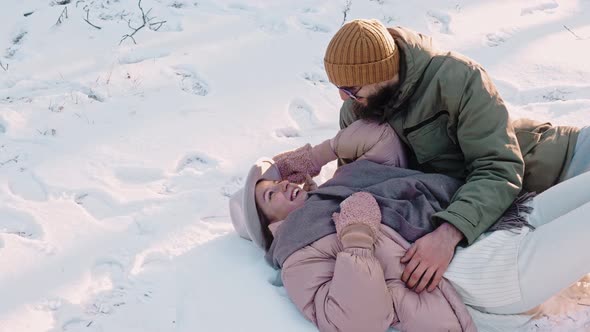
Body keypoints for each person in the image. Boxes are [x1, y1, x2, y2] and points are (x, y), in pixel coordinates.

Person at [274, 18, 589, 291]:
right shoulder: (356, 110)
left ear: (383, 73)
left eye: (352, 88)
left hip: (562, 162)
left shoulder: (457, 78)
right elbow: (363, 184)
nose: (343, 98)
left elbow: (498, 168)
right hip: (529, 211)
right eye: (339, 87)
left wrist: (448, 234)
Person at [229, 121, 590, 332]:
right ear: (269, 225)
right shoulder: (297, 256)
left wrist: (314, 156)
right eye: (270, 195)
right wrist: (357, 239)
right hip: (487, 275)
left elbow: (381, 138)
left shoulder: (339, 187)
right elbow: (357, 321)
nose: (283, 186)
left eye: (277, 181)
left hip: (492, 223)